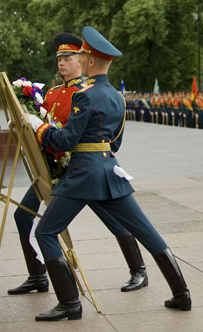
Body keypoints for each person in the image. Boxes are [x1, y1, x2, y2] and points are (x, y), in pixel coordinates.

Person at [25, 26, 191, 321]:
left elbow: (66, 141)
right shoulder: (116, 96)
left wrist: (40, 129)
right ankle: (182, 294)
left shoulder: (85, 96)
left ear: (88, 61)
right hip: (110, 172)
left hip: (82, 174)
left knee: (45, 231)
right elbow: (115, 141)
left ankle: (70, 304)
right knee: (148, 234)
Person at [9, 32, 148, 297]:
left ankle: (139, 269)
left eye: (69, 57)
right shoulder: (50, 94)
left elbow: (110, 141)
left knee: (116, 220)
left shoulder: (89, 93)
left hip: (81, 169)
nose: (62, 63)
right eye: (59, 58)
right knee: (23, 214)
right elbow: (43, 128)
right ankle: (38, 275)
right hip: (50, 168)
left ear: (83, 59)